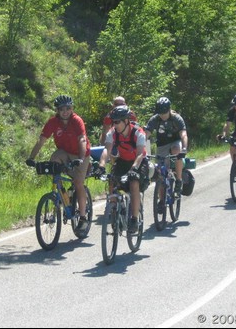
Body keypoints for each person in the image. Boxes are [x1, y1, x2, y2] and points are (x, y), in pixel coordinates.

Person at [26, 95, 91, 231]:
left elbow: (82, 140)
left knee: (78, 183)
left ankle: (83, 217)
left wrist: (80, 158)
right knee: (54, 160)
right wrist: (31, 157)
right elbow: (41, 140)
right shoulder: (53, 122)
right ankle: (63, 196)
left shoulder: (77, 120)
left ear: (72, 108)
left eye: (68, 108)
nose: (65, 111)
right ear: (57, 110)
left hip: (81, 153)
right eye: (62, 109)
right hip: (64, 152)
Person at [95, 105, 149, 234]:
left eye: (117, 122)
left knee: (133, 182)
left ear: (126, 121)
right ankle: (114, 213)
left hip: (139, 162)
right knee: (112, 180)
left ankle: (134, 219)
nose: (115, 124)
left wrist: (134, 169)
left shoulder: (138, 133)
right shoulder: (113, 133)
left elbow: (140, 154)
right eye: (113, 122)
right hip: (123, 161)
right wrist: (101, 166)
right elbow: (106, 150)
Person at [145, 97, 188, 213]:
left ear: (169, 110)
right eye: (160, 112)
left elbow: (183, 134)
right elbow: (145, 134)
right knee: (160, 173)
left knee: (176, 151)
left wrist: (184, 149)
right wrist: (141, 149)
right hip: (162, 145)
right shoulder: (154, 119)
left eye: (164, 112)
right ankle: (161, 199)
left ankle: (178, 180)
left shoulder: (176, 118)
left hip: (175, 142)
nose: (162, 115)